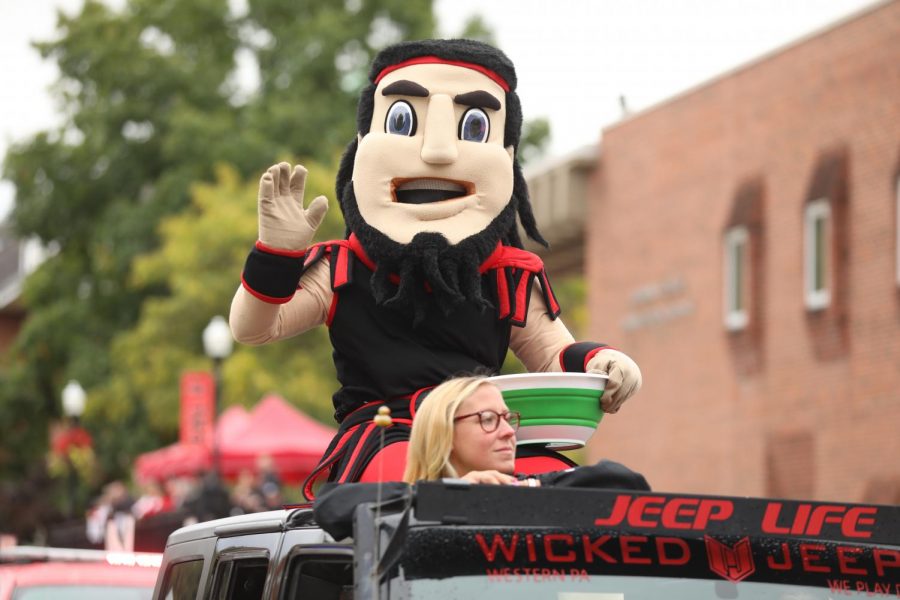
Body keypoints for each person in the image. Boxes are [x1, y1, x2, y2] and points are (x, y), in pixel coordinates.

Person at [230, 39, 643, 496]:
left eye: (473, 126)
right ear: (364, 144)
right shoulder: (343, 267)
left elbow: (553, 356)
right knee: (419, 489)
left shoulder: (508, 273)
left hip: (484, 432)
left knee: (598, 488)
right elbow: (253, 328)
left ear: (508, 159)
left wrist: (602, 361)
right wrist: (275, 255)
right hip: (387, 435)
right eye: (403, 119)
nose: (439, 151)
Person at [403, 376, 650, 489]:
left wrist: (523, 487)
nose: (509, 433)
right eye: (488, 419)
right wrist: (451, 493)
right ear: (443, 433)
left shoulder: (529, 490)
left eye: (508, 419)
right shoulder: (396, 511)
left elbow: (621, 480)